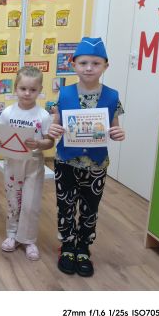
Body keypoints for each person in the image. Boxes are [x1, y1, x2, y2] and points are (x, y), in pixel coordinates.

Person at [48, 37, 125, 277]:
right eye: (83, 63)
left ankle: (83, 248)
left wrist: (118, 133)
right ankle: (67, 247)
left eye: (95, 63)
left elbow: (114, 127)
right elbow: (55, 125)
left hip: (96, 165)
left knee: (90, 207)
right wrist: (53, 130)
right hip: (66, 161)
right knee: (66, 205)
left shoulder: (112, 96)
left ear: (105, 66)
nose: (89, 68)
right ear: (73, 65)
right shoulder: (64, 94)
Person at [0, 66, 53, 260]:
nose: (27, 93)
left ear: (40, 90)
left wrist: (39, 143)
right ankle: (12, 234)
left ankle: (28, 239)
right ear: (16, 88)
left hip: (33, 164)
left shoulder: (43, 115)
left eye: (33, 89)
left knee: (30, 203)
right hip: (12, 163)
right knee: (13, 200)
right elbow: (0, 137)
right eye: (23, 88)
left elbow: (50, 142)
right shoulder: (7, 113)